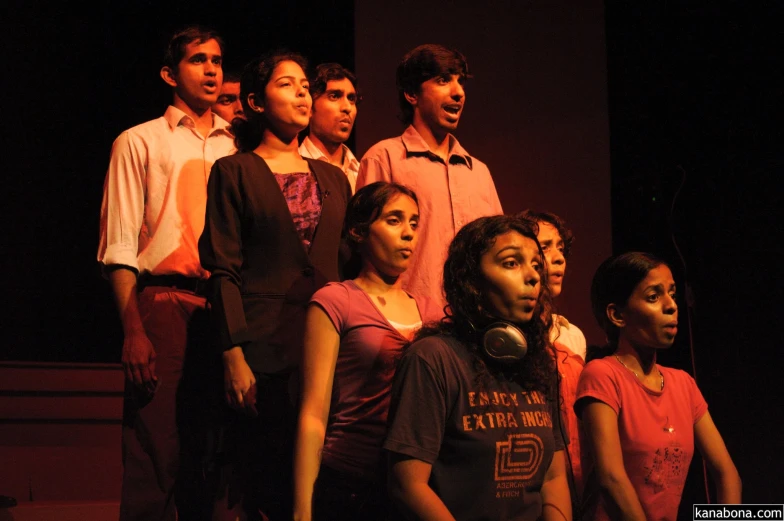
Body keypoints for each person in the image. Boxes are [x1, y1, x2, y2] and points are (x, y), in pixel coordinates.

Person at [198, 49, 352, 521]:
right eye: (287, 84)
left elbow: (346, 266)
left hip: (326, 349)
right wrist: (233, 352)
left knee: (321, 482)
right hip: (263, 349)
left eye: (306, 84)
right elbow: (223, 267)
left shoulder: (334, 178)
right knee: (263, 481)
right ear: (255, 102)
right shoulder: (235, 170)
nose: (303, 92)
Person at [97, 26, 235, 521]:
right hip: (165, 301)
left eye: (217, 60)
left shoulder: (237, 148)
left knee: (218, 449)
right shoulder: (139, 141)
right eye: (198, 60)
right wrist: (133, 329)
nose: (212, 69)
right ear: (168, 73)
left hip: (224, 305)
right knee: (155, 450)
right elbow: (119, 246)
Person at [384, 215, 572, 521]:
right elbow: (408, 485)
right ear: (471, 280)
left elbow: (553, 478)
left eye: (536, 265)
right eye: (512, 263)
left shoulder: (540, 365)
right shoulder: (433, 359)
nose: (534, 276)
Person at [293, 181, 443, 521]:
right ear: (359, 232)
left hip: (414, 486)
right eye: (394, 220)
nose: (408, 234)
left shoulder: (432, 312)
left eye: (414, 223)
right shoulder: (336, 300)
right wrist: (302, 509)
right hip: (349, 481)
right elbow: (314, 412)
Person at [576, 252, 741, 521]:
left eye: (672, 294)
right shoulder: (602, 375)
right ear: (617, 315)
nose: (671, 306)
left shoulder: (683, 384)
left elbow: (725, 471)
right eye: (654, 296)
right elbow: (611, 477)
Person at [356, 44, 503, 309]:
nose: (458, 92)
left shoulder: (478, 172)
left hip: (474, 325)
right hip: (410, 320)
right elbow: (366, 252)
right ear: (412, 94)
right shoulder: (384, 158)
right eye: (444, 80)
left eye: (460, 82)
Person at [520, 209, 587, 503]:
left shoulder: (573, 337)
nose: (559, 257)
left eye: (561, 248)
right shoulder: (511, 339)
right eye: (545, 247)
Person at [299, 62, 360, 192]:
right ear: (309, 106)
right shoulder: (293, 168)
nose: (347, 107)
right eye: (334, 96)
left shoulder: (361, 171)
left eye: (351, 99)